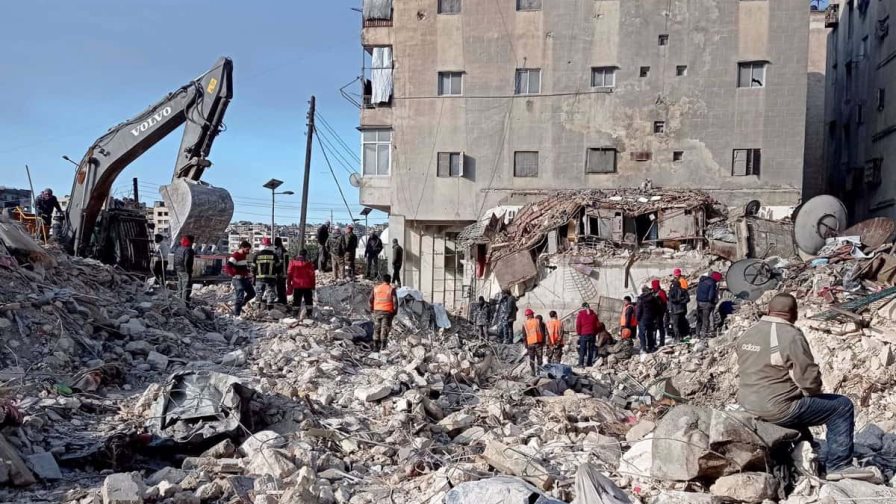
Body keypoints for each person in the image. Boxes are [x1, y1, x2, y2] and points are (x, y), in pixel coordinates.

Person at [736, 294, 871, 481]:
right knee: (841, 406)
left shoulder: (748, 333)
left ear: (768, 311)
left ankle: (807, 450)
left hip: (747, 402)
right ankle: (839, 465)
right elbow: (808, 377)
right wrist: (813, 392)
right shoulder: (790, 335)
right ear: (794, 314)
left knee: (794, 402)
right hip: (777, 408)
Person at [369, 274, 398, 351]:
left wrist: (371, 309)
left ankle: (375, 346)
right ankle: (383, 346)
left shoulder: (376, 288)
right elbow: (395, 302)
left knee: (376, 328)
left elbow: (370, 299)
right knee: (384, 328)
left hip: (377, 311)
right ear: (390, 280)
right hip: (387, 312)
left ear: (382, 280)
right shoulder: (391, 289)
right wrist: (395, 312)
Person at [226, 240, 256, 317]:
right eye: (247, 249)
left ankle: (241, 305)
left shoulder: (243, 256)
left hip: (244, 279)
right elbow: (228, 266)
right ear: (242, 248)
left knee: (252, 293)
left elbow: (243, 268)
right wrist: (234, 274)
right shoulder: (235, 255)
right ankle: (237, 314)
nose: (248, 251)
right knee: (240, 296)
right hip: (238, 279)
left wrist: (247, 274)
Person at [286, 249, 316, 318]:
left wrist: (289, 284)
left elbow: (289, 273)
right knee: (308, 300)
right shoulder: (309, 263)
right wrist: (313, 285)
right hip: (307, 286)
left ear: (298, 254)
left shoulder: (293, 262)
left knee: (296, 300)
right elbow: (312, 275)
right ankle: (309, 314)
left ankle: (295, 314)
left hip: (297, 285)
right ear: (305, 255)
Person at [253, 237, 281, 310]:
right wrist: (278, 274)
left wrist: (253, 277)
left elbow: (253, 268)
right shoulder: (274, 256)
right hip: (271, 278)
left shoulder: (257, 255)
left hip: (259, 278)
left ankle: (257, 310)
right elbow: (278, 267)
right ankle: (270, 310)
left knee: (259, 293)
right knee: (270, 293)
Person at [696, 272, 721, 338]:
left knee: (699, 319)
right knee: (706, 319)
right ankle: (704, 335)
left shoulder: (702, 281)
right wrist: (714, 301)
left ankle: (697, 334)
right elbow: (710, 296)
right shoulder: (712, 283)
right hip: (707, 303)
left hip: (699, 302)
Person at [636, 286, 660, 353]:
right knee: (650, 333)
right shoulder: (653, 298)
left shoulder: (641, 299)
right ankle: (651, 346)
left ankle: (643, 348)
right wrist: (655, 317)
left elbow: (639, 310)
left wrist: (637, 318)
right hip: (651, 318)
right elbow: (657, 308)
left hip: (643, 318)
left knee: (642, 334)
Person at [575, 302, 600, 367]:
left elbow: (578, 325)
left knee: (582, 349)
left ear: (583, 307)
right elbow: (597, 325)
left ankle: (581, 363)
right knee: (591, 349)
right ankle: (589, 363)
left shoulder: (580, 314)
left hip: (584, 334)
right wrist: (595, 332)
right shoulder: (594, 314)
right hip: (592, 334)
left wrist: (579, 333)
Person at [668, 275, 691, 341]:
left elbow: (671, 301)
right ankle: (685, 335)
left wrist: (670, 309)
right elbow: (688, 299)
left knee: (675, 325)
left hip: (675, 311)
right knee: (682, 322)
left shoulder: (671, 292)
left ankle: (678, 338)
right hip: (683, 309)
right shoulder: (683, 290)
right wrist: (682, 302)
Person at [173, 235, 195, 303]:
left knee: (180, 287)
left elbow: (175, 259)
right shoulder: (189, 250)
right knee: (186, 288)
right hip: (185, 271)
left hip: (178, 270)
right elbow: (187, 261)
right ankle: (185, 304)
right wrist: (188, 271)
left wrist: (175, 269)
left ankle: (179, 302)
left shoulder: (178, 248)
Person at [522, 309, 545, 376]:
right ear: (531, 314)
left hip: (530, 343)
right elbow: (542, 332)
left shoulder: (525, 323)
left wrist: (526, 344)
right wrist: (543, 341)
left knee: (532, 358)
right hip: (538, 342)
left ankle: (533, 372)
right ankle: (539, 372)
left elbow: (524, 335)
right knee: (539, 357)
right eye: (532, 314)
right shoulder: (537, 321)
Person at [651, 279, 669, 347]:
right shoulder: (660, 292)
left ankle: (661, 341)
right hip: (658, 313)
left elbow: (664, 302)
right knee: (656, 328)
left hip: (659, 313)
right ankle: (656, 341)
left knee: (660, 327)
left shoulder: (659, 293)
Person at [273, 237, 289, 304]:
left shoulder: (276, 251)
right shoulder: (284, 250)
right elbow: (286, 263)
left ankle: (281, 300)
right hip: (283, 272)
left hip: (279, 272)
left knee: (279, 287)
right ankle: (283, 300)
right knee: (282, 287)